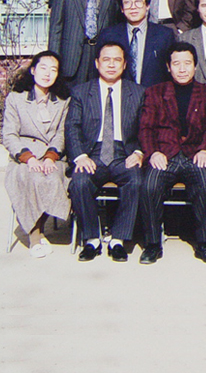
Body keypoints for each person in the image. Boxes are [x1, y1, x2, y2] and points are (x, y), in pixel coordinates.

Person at [137, 43, 206, 265]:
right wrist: (153, 153)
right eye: (176, 64)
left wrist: (205, 149)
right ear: (168, 67)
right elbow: (145, 128)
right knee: (149, 185)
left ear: (195, 66)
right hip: (165, 154)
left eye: (187, 63)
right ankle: (152, 244)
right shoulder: (154, 93)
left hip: (195, 153)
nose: (182, 69)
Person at [66, 41, 146, 262]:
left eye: (117, 60)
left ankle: (118, 240)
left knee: (136, 180)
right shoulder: (81, 92)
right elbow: (72, 127)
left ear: (125, 64)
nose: (111, 65)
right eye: (106, 60)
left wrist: (139, 152)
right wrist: (80, 156)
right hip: (92, 153)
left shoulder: (138, 92)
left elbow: (145, 128)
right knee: (80, 181)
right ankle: (91, 239)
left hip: (124, 152)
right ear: (97, 63)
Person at [3, 52, 70, 258]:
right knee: (32, 177)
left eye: (53, 70)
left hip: (52, 156)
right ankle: (35, 236)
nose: (47, 74)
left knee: (52, 178)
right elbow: (9, 134)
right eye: (43, 68)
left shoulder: (62, 102)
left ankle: (38, 230)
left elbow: (61, 134)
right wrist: (29, 158)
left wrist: (50, 157)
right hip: (24, 157)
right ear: (33, 70)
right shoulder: (16, 99)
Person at [98, 0, 175, 88]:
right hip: (120, 94)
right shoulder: (109, 35)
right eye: (127, 3)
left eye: (138, 2)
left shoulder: (165, 35)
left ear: (147, 5)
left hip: (154, 95)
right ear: (122, 8)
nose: (133, 7)